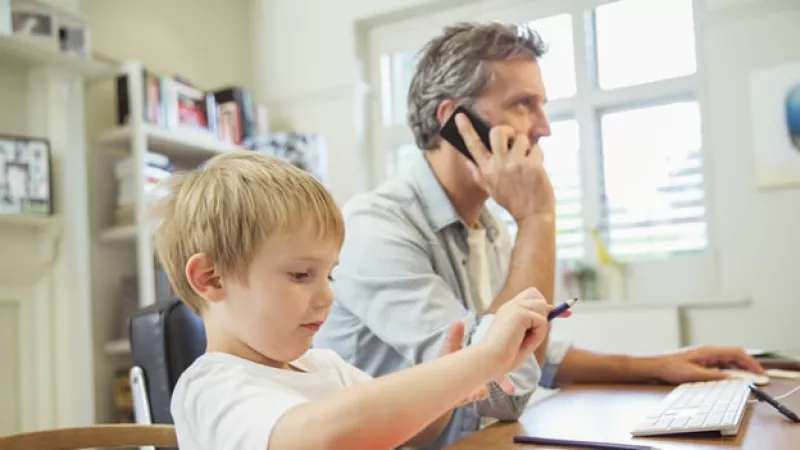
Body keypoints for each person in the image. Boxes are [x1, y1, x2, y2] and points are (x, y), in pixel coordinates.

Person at [313, 21, 764, 449]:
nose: (544, 127)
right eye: (523, 104)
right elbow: (491, 381)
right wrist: (537, 220)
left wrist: (659, 366)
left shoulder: (486, 222)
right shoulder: (375, 228)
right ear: (455, 119)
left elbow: (534, 351)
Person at [151, 150, 565, 450]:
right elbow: (321, 438)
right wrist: (481, 359)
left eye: (329, 274)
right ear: (211, 278)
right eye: (300, 275)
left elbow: (400, 433)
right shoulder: (212, 388)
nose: (327, 295)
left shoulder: (324, 366)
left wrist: (443, 389)